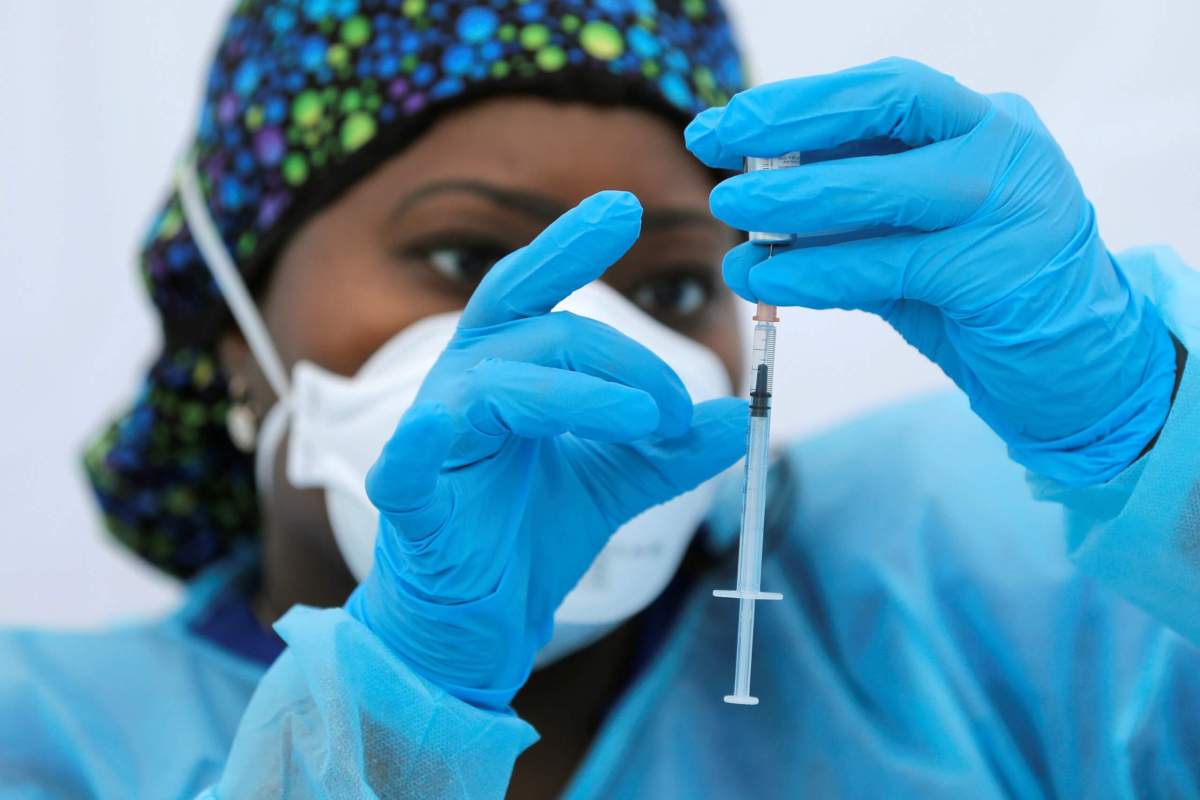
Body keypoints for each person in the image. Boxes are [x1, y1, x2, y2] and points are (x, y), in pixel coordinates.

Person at [1, 0, 1196, 797]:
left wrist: (1154, 426)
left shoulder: (953, 586)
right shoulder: (48, 730)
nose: (588, 344)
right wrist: (393, 704)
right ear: (233, 337)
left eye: (676, 282)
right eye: (466, 260)